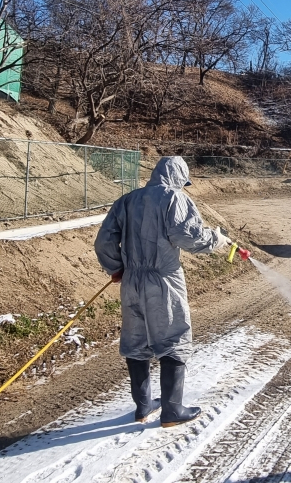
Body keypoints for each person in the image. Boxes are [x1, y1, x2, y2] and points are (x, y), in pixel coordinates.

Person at [94, 156, 231, 427]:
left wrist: (117, 268)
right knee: (173, 338)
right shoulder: (174, 198)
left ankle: (143, 406)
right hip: (164, 280)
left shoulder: (127, 200)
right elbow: (188, 236)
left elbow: (103, 241)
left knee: (137, 341)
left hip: (132, 279)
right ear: (179, 177)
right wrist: (216, 239)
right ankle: (172, 410)